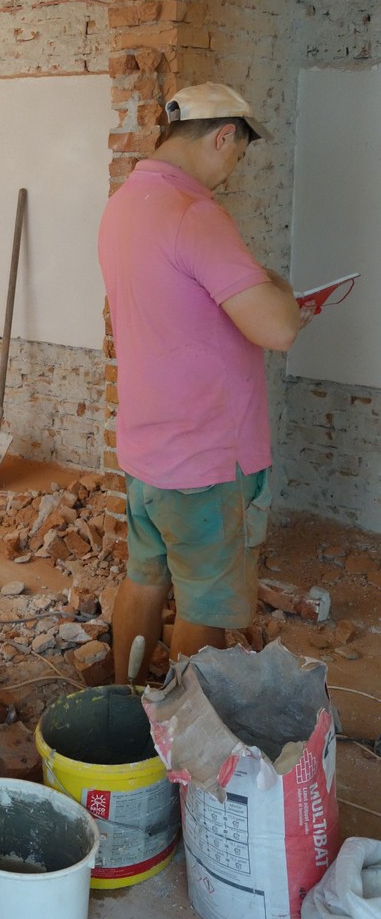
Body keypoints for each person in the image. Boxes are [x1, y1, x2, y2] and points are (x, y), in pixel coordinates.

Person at [97, 81, 306, 684]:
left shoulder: (124, 205)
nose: (232, 168)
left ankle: (128, 702)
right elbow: (278, 329)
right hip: (207, 459)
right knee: (203, 607)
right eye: (237, 154)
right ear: (223, 137)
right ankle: (182, 729)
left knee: (144, 578)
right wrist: (283, 290)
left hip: (148, 449)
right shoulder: (195, 214)